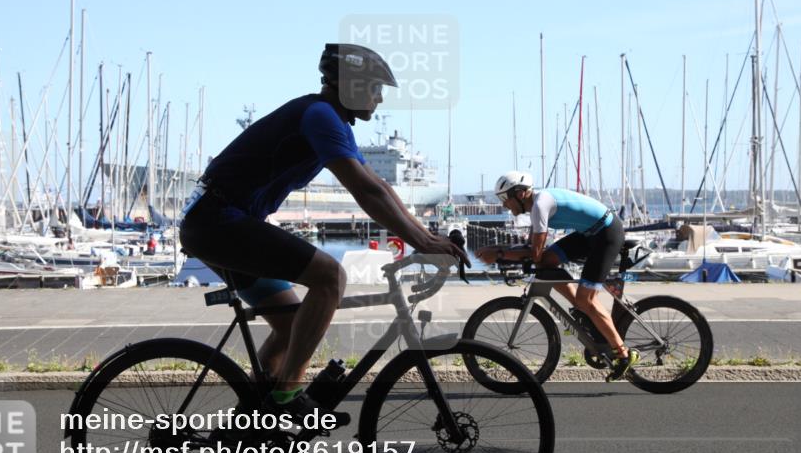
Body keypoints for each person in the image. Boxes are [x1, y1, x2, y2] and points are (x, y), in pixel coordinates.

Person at [179, 43, 469, 415]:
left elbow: (379, 187)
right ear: (352, 85)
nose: (380, 98)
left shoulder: (331, 119)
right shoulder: (319, 116)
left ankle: (256, 420)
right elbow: (364, 191)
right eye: (375, 88)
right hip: (218, 222)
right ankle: (288, 395)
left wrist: (428, 237)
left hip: (222, 222)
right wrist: (424, 241)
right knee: (330, 277)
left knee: (291, 326)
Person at [476, 172, 638, 381]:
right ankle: (583, 311)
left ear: (520, 193)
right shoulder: (536, 207)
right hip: (589, 234)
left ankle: (623, 354)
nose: (505, 205)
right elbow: (537, 254)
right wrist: (500, 250)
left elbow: (534, 253)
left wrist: (499, 253)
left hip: (607, 234)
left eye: (505, 198)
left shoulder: (540, 205)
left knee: (586, 299)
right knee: (547, 262)